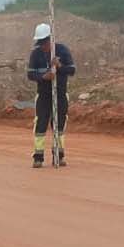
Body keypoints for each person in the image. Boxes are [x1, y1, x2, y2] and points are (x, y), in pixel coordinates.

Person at [25, 23, 75, 167]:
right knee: (40, 124)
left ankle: (58, 155)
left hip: (60, 93)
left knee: (59, 125)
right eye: (40, 43)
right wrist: (43, 77)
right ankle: (38, 157)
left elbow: (71, 70)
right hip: (43, 95)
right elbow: (30, 74)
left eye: (44, 42)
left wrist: (60, 67)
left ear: (51, 39)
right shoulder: (36, 54)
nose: (42, 45)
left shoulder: (62, 50)